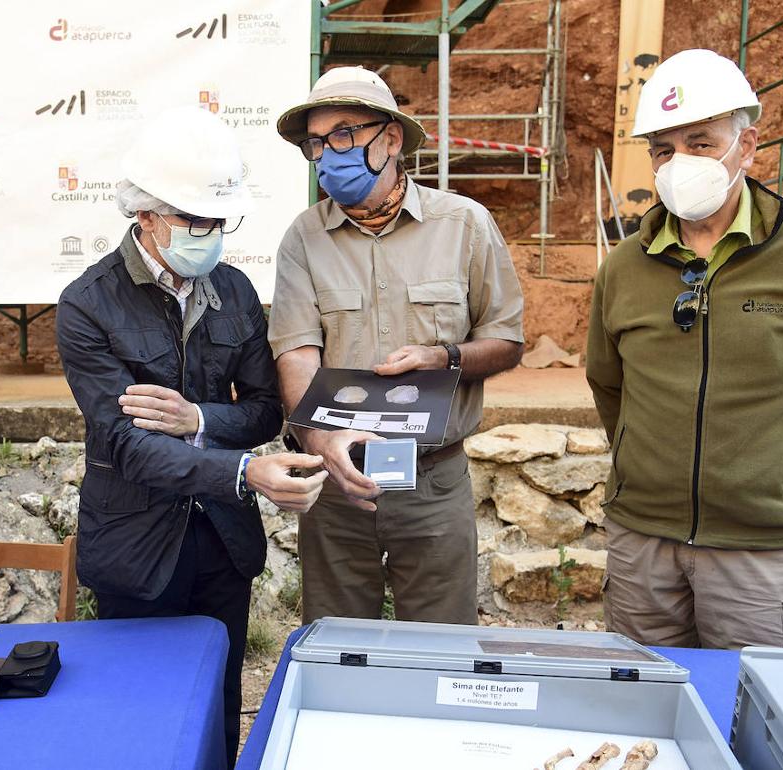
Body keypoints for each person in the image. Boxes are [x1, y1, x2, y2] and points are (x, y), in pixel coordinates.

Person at [55, 106, 327, 767]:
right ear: (145, 213)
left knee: (218, 703)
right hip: (136, 547)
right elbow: (123, 442)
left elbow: (265, 411)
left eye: (218, 220)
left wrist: (201, 420)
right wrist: (241, 474)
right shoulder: (87, 304)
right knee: (138, 712)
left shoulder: (232, 291)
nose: (207, 233)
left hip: (222, 542)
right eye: (192, 218)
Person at [587, 49, 783, 649]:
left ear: (746, 147)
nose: (679, 163)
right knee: (646, 715)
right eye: (663, 149)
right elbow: (608, 385)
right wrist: (651, 470)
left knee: (767, 721)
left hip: (762, 548)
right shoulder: (623, 269)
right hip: (643, 545)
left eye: (700, 141)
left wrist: (779, 477)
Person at [267, 67, 525, 625]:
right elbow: (296, 352)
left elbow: (505, 341)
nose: (327, 153)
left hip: (432, 479)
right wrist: (319, 439)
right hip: (337, 478)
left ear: (390, 138)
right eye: (317, 142)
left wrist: (446, 357)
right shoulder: (304, 238)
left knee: (440, 647)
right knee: (338, 647)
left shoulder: (465, 225)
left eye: (343, 135)